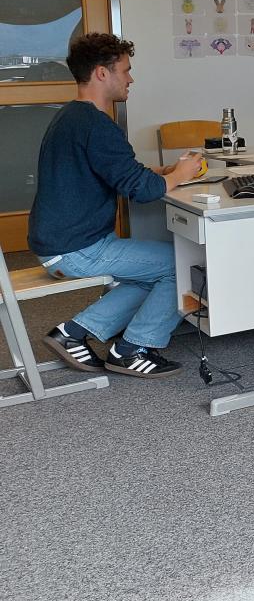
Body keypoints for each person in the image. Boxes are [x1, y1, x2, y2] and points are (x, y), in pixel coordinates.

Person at [33, 33, 204, 378]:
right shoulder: (97, 125)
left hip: (60, 243)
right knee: (180, 265)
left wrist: (162, 172)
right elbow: (141, 191)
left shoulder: (71, 116)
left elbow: (115, 172)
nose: (130, 79)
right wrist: (182, 173)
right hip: (76, 249)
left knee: (150, 272)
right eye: (125, 70)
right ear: (102, 73)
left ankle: (73, 332)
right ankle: (132, 349)